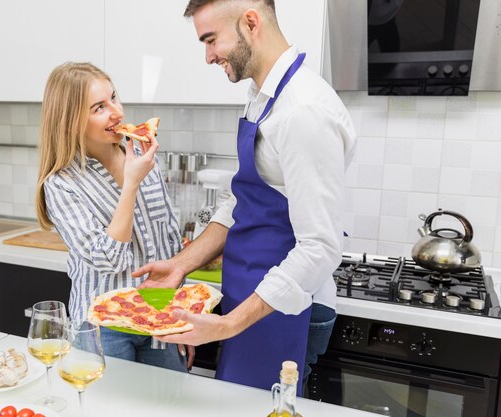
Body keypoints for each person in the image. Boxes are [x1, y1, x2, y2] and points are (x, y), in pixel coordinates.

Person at [133, 0, 357, 392]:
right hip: (251, 296)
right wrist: (181, 264)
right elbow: (245, 200)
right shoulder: (262, 95)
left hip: (288, 308)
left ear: (250, 22)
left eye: (211, 40)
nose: (207, 56)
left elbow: (320, 247)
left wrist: (227, 324)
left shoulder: (304, 112)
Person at [35, 62, 192, 371]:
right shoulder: (62, 184)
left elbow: (170, 242)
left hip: (158, 318)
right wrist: (131, 184)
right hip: (105, 327)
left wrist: (179, 314)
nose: (116, 112)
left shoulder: (142, 159)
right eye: (99, 108)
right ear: (70, 122)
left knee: (170, 406)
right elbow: (108, 258)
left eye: (114, 98)